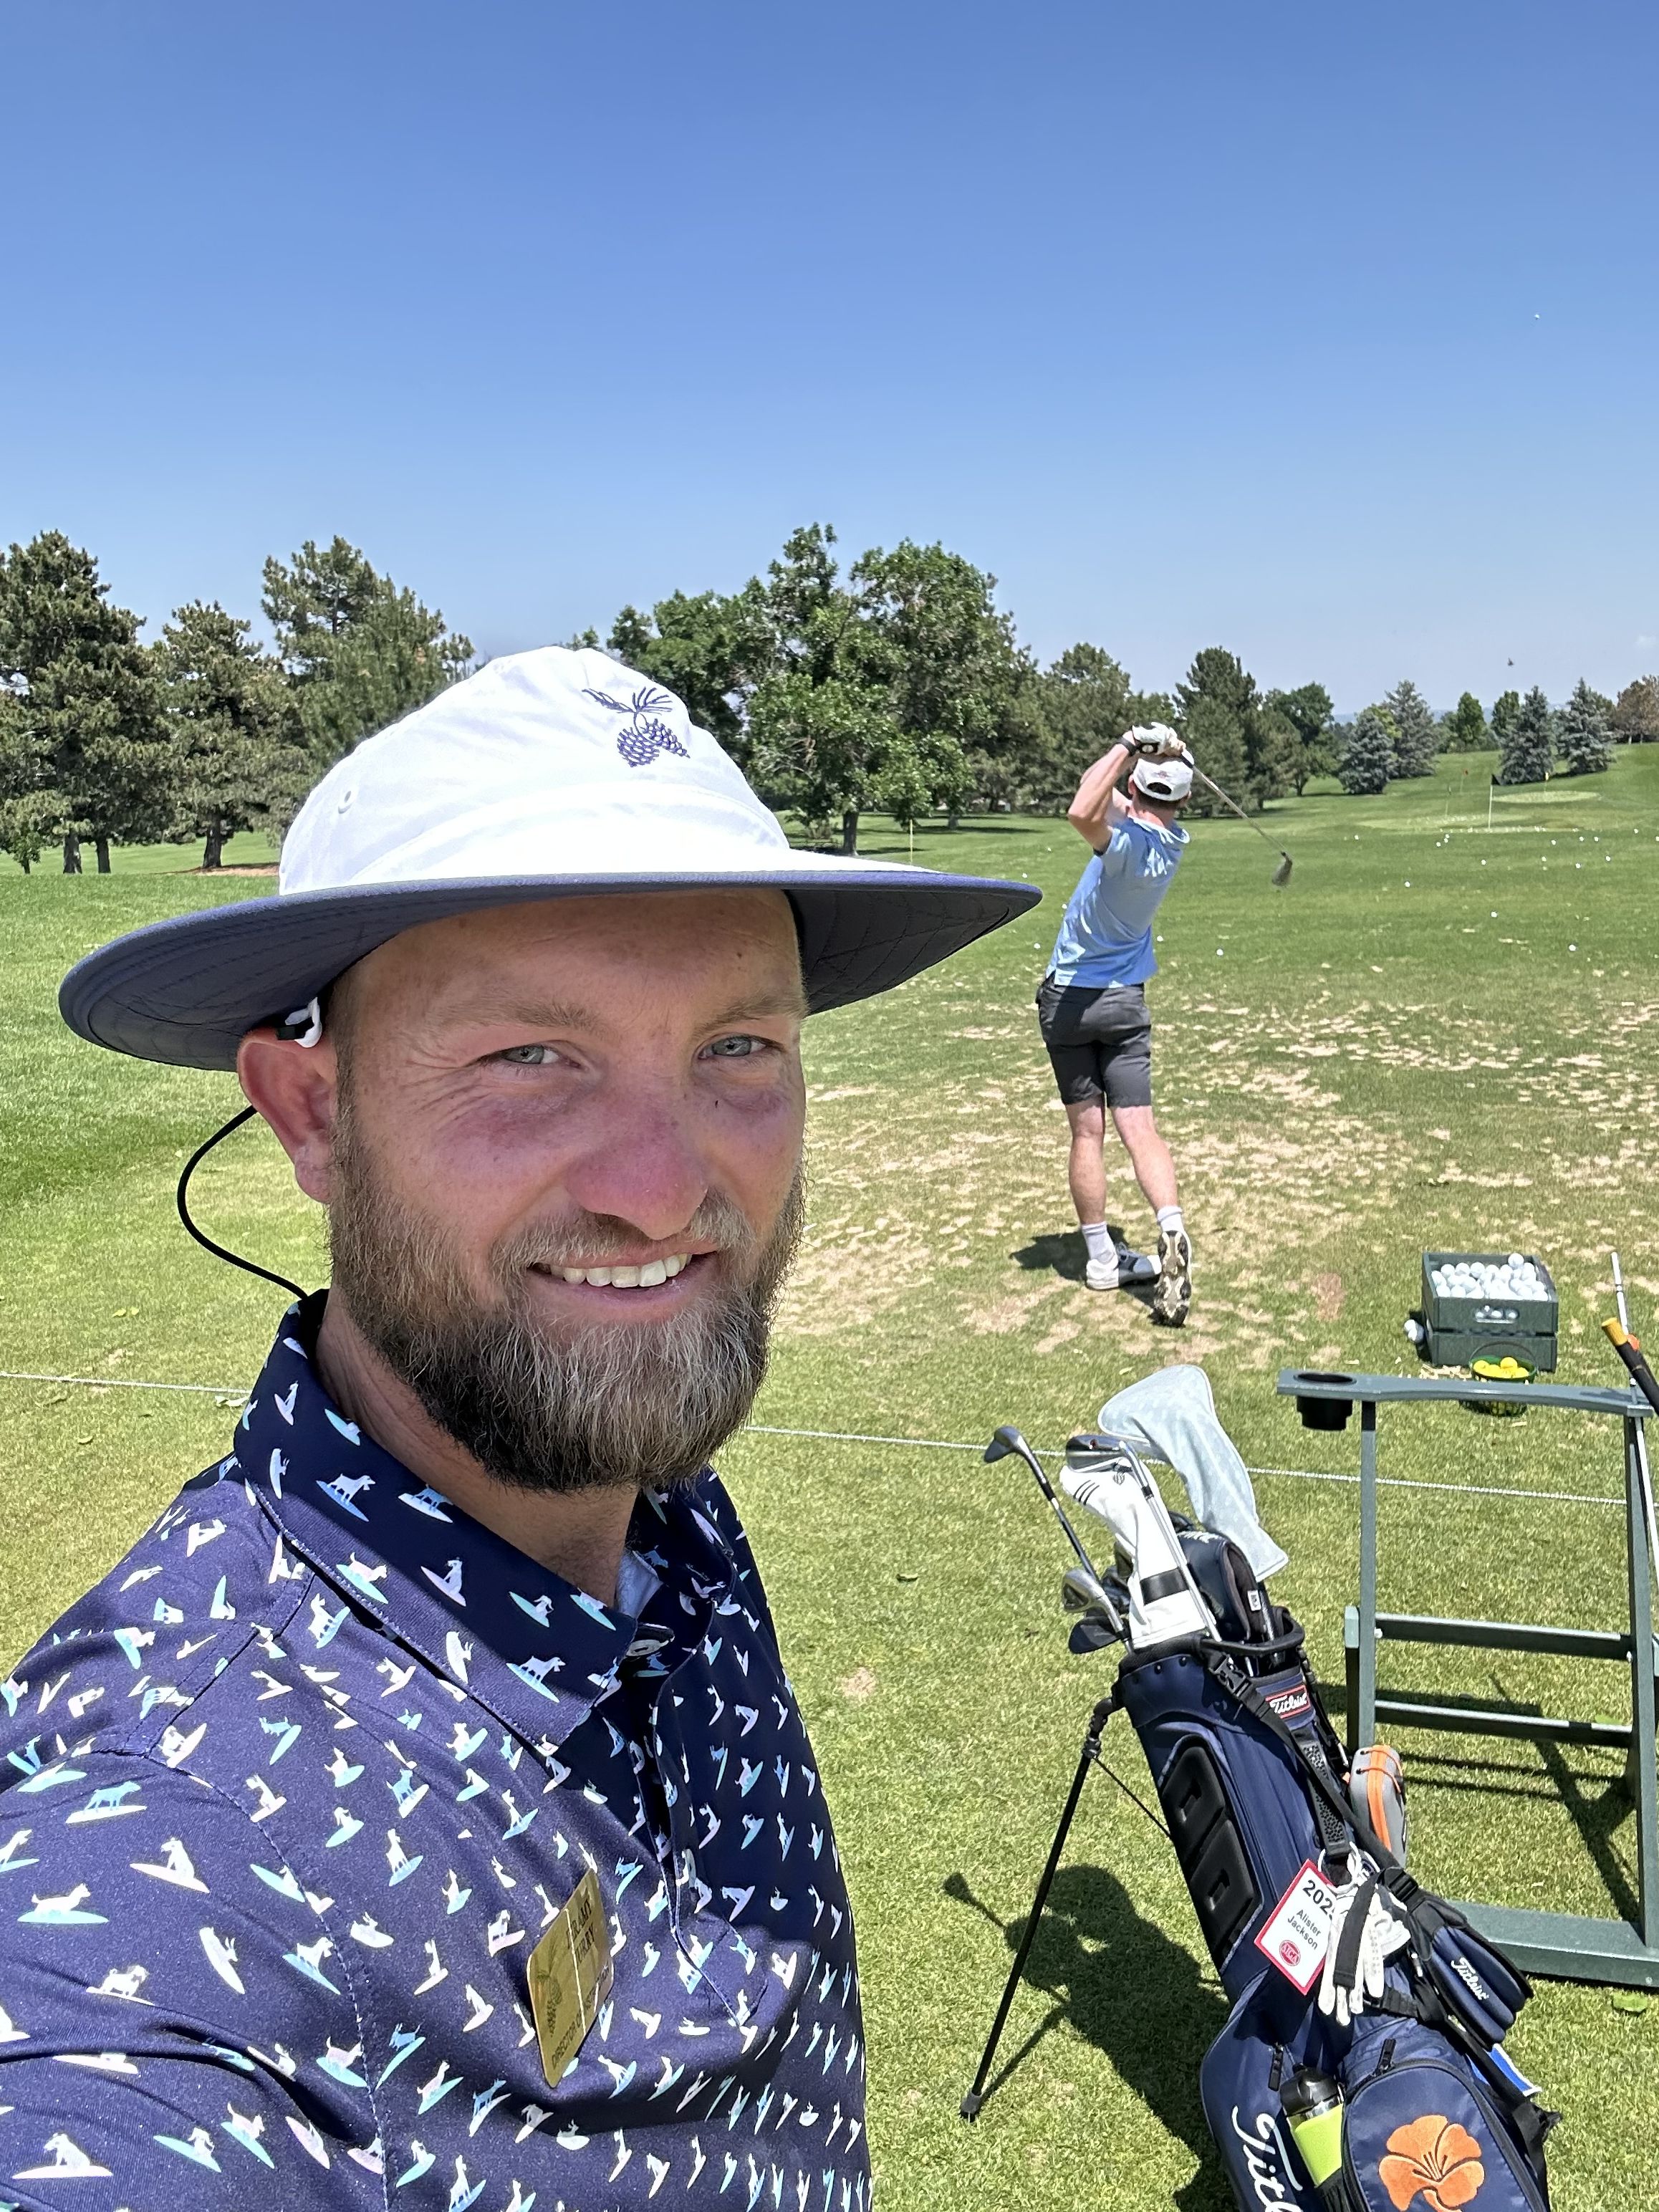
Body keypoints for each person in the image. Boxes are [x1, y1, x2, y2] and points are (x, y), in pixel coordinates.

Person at [4, 649, 1037, 2211]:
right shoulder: (159, 1834)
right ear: (308, 1112)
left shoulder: (640, 1484)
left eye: (737, 1046)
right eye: (528, 1056)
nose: (662, 1185)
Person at [1036, 723, 1194, 1325]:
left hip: (1072, 1002)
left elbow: (1083, 806)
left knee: (1087, 1134)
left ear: (1135, 784)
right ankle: (1172, 1225)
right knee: (1141, 1131)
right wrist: (1169, 752)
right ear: (1181, 801)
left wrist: (1130, 740)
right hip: (1125, 1004)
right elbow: (1106, 795)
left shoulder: (1123, 846)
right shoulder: (1172, 840)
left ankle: (1102, 1257)